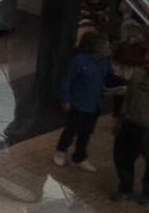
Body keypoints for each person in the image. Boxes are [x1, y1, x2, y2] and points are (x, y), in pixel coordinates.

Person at [53, 30, 124, 170]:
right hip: (78, 104)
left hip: (94, 105)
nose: (109, 49)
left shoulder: (105, 62)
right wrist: (65, 99)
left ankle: (79, 158)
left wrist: (124, 81)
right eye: (106, 46)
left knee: (86, 133)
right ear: (96, 47)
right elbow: (67, 81)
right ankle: (61, 150)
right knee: (70, 130)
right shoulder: (79, 61)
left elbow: (108, 78)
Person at [112, 44, 149, 204]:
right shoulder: (137, 75)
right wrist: (121, 120)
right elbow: (128, 98)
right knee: (122, 156)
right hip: (131, 123)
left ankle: (148, 193)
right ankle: (125, 188)